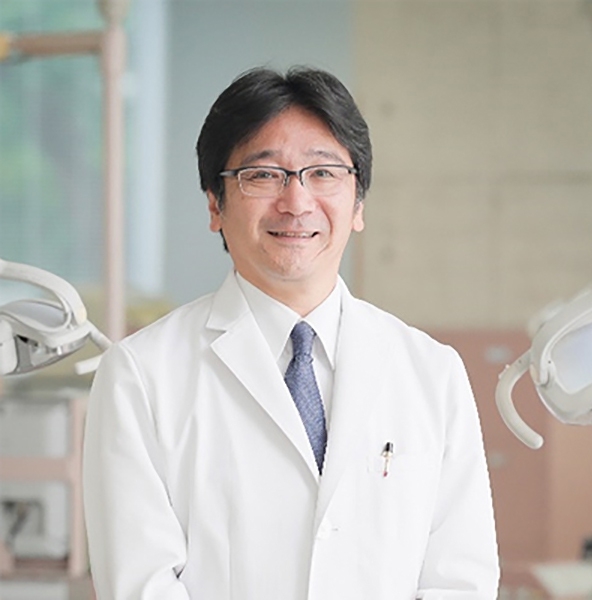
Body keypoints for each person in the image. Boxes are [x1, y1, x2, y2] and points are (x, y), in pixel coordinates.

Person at [83, 66, 500, 600]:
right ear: (214, 204)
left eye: (323, 173)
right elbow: (141, 586)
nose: (297, 202)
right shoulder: (140, 376)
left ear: (359, 203)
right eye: (263, 175)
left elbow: (459, 581)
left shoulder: (431, 372)